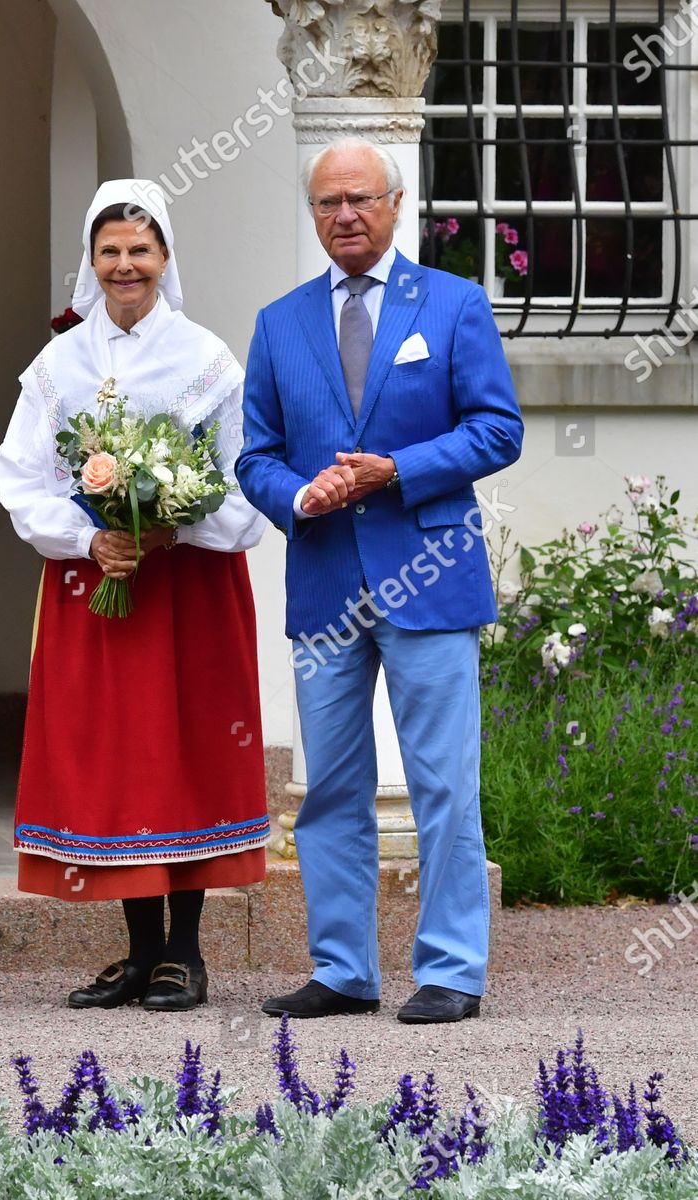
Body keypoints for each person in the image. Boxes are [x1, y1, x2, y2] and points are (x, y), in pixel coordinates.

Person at [236, 136, 523, 1024]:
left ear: (396, 205)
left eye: (360, 199)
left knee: (442, 783)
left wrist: (391, 470)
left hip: (430, 579)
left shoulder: (453, 304)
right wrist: (303, 495)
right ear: (314, 214)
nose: (345, 216)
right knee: (330, 790)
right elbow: (255, 457)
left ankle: (450, 969)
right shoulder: (279, 322)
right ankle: (343, 970)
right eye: (328, 203)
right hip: (325, 581)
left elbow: (496, 431)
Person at [0, 179, 270, 1013]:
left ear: (165, 258)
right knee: (116, 755)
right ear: (91, 260)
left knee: (179, 751)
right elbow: (20, 476)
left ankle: (184, 954)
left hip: (187, 586)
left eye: (139, 251)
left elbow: (244, 476)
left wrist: (174, 527)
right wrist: (91, 537)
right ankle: (139, 951)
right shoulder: (58, 363)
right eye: (109, 251)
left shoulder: (207, 359)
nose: (125, 266)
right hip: (96, 586)